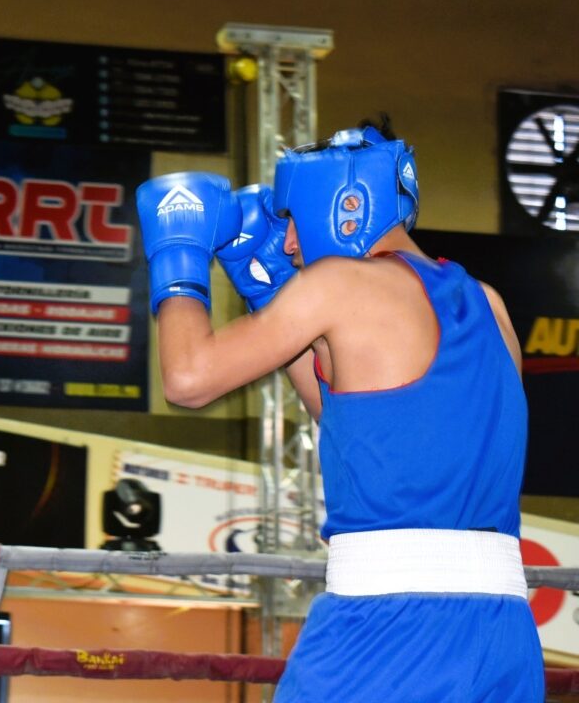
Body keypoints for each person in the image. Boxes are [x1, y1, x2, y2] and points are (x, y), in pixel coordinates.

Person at [136, 120, 543, 702]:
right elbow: (362, 429)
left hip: (387, 631)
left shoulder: (340, 284)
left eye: (293, 219)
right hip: (503, 636)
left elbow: (188, 378)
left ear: (345, 206)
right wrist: (267, 289)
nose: (290, 244)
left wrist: (179, 254)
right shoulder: (490, 303)